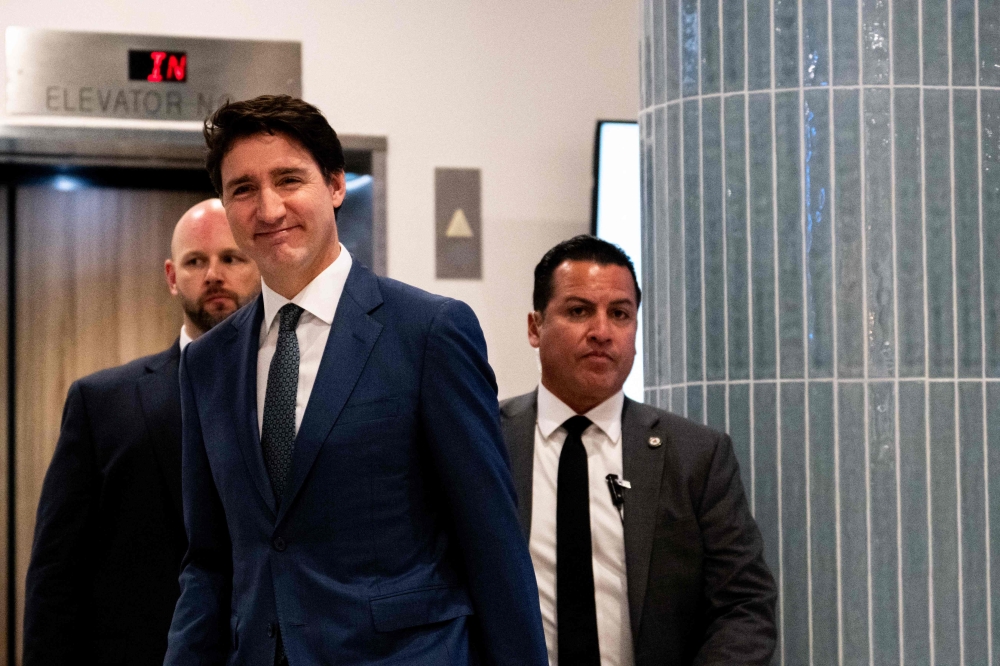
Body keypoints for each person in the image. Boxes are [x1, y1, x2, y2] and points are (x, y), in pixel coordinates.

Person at [164, 95, 546, 666]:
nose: (268, 209)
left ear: (336, 185)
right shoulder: (207, 362)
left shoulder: (429, 333)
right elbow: (210, 561)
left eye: (289, 179)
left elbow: (492, 544)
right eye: (243, 189)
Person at [500, 235, 777, 666]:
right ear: (536, 327)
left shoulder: (696, 456)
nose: (602, 332)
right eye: (578, 311)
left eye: (620, 314)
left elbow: (743, 606)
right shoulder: (485, 442)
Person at [23, 199, 261, 666]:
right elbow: (56, 574)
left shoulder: (298, 395)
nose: (215, 274)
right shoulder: (101, 402)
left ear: (261, 268)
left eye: (232, 258)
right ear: (173, 277)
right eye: (196, 261)